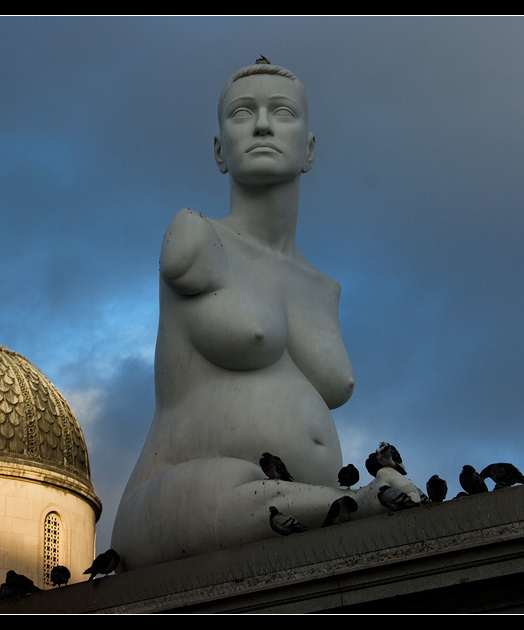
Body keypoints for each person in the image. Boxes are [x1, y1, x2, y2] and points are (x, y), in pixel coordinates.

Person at [112, 62, 377, 571]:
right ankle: (353, 506)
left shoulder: (324, 289)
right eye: (242, 113)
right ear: (219, 151)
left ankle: (342, 506)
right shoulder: (195, 237)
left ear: (310, 150)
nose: (261, 125)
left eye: (281, 112)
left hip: (291, 519)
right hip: (181, 498)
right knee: (235, 491)